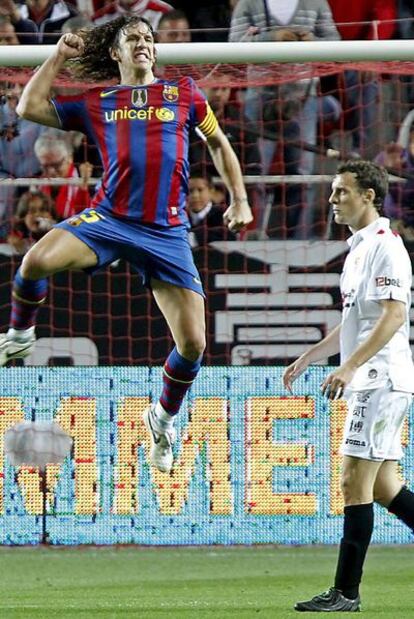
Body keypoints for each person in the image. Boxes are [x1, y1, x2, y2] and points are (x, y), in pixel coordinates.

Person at [5, 16, 252, 475]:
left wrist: (238, 198)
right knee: (36, 261)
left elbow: (218, 143)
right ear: (116, 53)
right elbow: (28, 106)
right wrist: (58, 55)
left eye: (148, 38)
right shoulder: (97, 102)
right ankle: (19, 336)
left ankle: (161, 418)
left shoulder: (186, 94)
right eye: (132, 38)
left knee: (194, 344)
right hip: (110, 219)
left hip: (166, 232)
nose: (143, 43)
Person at [283, 160, 414, 612]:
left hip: (381, 379)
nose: (333, 199)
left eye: (341, 191)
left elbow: (394, 315)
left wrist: (351, 368)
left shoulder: (386, 246)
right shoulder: (358, 248)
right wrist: (310, 357)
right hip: (374, 378)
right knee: (384, 489)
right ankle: (345, 591)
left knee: (351, 483)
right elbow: (354, 322)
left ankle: (346, 592)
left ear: (369, 196)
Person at [34, 132, 92, 219]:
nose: (51, 171)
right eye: (45, 166)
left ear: (70, 158)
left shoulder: (89, 180)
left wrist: (83, 189)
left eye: (56, 165)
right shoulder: (34, 183)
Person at [187, 173, 236, 247]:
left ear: (211, 191)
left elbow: (230, 237)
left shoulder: (222, 215)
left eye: (200, 190)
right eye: (190, 191)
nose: (195, 195)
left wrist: (195, 238)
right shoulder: (180, 216)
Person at [8, 190, 57, 255]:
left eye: (42, 210)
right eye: (32, 211)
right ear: (23, 216)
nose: (38, 214)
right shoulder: (17, 236)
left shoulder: (58, 231)